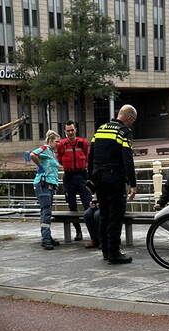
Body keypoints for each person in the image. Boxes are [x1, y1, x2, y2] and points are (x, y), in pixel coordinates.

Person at [88, 104, 138, 264]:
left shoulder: (100, 129)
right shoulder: (123, 132)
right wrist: (133, 183)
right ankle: (114, 253)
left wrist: (91, 177)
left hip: (99, 178)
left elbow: (91, 155)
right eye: (133, 120)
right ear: (129, 117)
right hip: (114, 178)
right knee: (115, 216)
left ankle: (105, 251)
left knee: (104, 215)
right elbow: (127, 159)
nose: (132, 124)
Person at [56, 120, 93, 241]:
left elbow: (87, 156)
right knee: (72, 206)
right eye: (68, 131)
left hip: (82, 175)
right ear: (65, 131)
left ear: (75, 130)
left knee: (88, 204)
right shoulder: (61, 145)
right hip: (69, 176)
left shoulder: (83, 143)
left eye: (72, 130)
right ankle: (78, 232)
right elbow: (59, 159)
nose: (70, 132)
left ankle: (94, 234)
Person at [30, 130, 61, 250]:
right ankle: (46, 239)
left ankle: (47, 236)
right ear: (51, 141)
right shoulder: (44, 148)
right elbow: (32, 154)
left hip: (50, 185)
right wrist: (40, 167)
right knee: (46, 211)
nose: (58, 144)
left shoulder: (52, 152)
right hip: (44, 184)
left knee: (46, 211)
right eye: (57, 141)